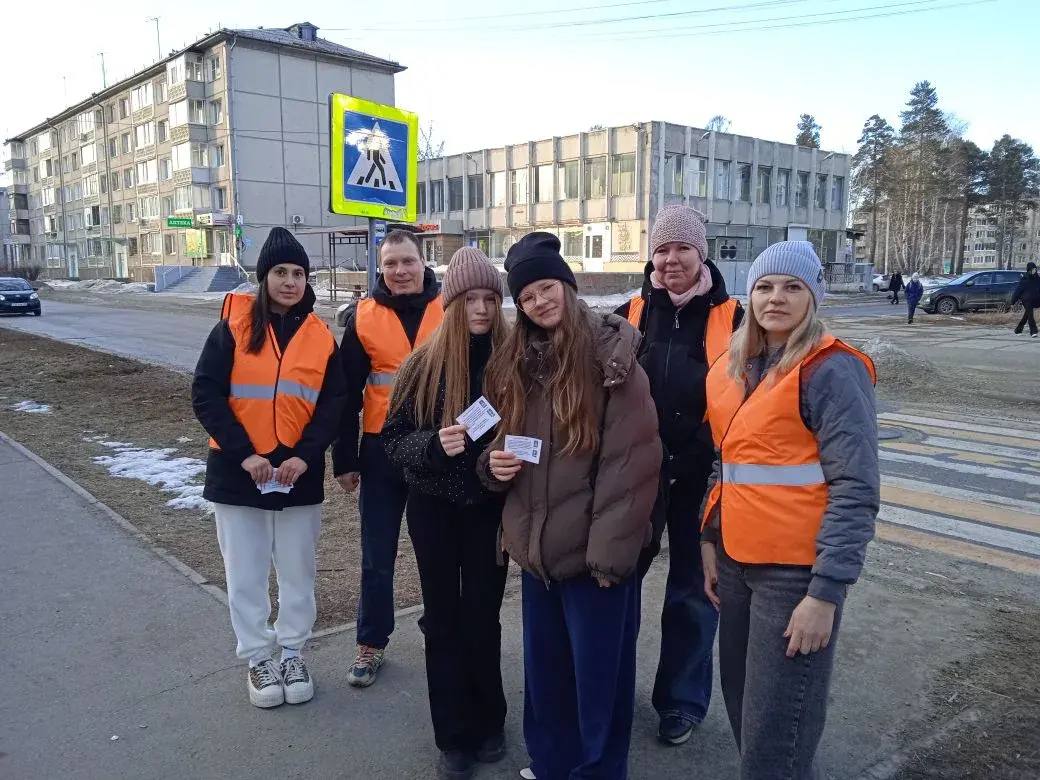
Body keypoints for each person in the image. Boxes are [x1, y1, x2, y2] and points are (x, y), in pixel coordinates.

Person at [481, 232, 662, 780]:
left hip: (593, 561)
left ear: (567, 284)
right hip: (539, 558)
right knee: (547, 673)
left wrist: (607, 559)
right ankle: (551, 764)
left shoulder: (610, 355)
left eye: (546, 287)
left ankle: (598, 771)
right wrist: (491, 466)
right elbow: (498, 438)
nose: (539, 301)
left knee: (599, 682)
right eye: (528, 294)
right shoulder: (515, 361)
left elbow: (630, 464)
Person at [699, 241, 879, 779]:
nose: (776, 298)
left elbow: (855, 487)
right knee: (744, 706)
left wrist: (825, 593)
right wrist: (709, 538)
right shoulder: (741, 365)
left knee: (778, 728)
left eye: (792, 287)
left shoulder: (832, 370)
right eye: (764, 286)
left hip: (793, 576)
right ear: (749, 295)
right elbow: (726, 459)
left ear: (813, 296)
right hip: (735, 562)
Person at [192, 227, 346, 708]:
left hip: (297, 475)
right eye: (281, 272)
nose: (290, 281)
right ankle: (259, 658)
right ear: (264, 278)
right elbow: (206, 395)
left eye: (299, 273)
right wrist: (247, 455)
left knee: (298, 571)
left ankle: (293, 652)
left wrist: (306, 454)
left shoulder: (320, 336)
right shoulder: (232, 328)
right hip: (240, 474)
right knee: (246, 573)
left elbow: (335, 404)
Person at [614, 205, 742, 746]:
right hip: (638, 475)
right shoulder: (631, 313)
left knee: (694, 590)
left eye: (681, 249)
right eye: (661, 249)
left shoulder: (736, 319)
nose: (670, 260)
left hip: (703, 480)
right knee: (618, 584)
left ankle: (681, 703)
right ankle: (613, 688)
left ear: (701, 253)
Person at [382, 247, 511, 780]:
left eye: (489, 298)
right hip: (433, 510)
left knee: (483, 617)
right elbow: (392, 440)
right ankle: (452, 735)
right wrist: (433, 445)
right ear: (452, 303)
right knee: (443, 620)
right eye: (469, 299)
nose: (480, 309)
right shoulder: (423, 363)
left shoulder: (513, 361)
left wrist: (507, 463)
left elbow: (531, 436)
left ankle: (490, 720)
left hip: (489, 512)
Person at [333, 229, 444, 687]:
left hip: (437, 449)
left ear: (423, 262)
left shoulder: (451, 309)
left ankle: (439, 634)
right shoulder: (363, 317)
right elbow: (346, 395)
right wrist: (345, 458)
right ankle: (371, 642)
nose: (399, 271)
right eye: (391, 264)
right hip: (380, 452)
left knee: (436, 553)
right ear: (381, 268)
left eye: (407, 262)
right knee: (377, 555)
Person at [1011, 261, 1040, 338]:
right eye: (1033, 269)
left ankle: (1018, 329)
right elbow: (1018, 291)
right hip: (1026, 300)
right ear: (1029, 270)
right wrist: (1013, 301)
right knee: (1030, 314)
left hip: (1035, 299)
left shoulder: (1037, 279)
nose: (1034, 271)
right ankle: (1033, 331)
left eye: (1035, 269)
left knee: (1026, 314)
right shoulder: (1024, 279)